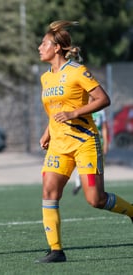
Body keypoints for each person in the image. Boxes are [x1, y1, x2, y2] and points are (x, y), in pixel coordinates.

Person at [36, 20, 133, 263]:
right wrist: (48, 130)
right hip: (59, 145)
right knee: (49, 191)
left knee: (95, 200)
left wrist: (74, 114)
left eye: (44, 43)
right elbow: (55, 108)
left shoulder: (77, 71)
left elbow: (103, 99)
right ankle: (56, 250)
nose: (39, 47)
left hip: (84, 143)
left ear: (56, 48)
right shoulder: (45, 79)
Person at [73, 103, 109, 195]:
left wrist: (106, 144)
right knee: (81, 163)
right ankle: (79, 183)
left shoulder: (101, 111)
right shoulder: (82, 108)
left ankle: (98, 187)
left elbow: (104, 128)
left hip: (98, 142)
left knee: (98, 166)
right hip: (85, 142)